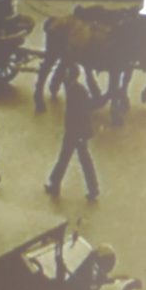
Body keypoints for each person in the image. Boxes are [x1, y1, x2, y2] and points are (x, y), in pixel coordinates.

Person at [46, 72, 103, 203]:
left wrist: (80, 134)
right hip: (75, 131)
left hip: (76, 132)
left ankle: (56, 184)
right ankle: (56, 183)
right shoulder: (76, 89)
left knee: (73, 159)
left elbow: (80, 113)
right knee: (70, 158)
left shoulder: (76, 91)